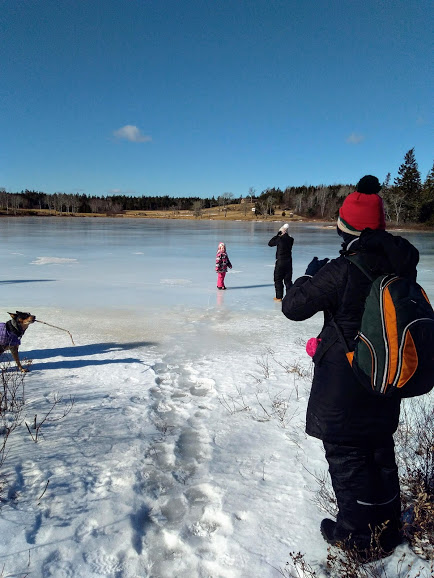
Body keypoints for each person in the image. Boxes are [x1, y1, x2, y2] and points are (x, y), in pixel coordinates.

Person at [281, 175, 420, 559]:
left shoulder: (342, 269)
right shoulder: (400, 265)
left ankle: (359, 541)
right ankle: (387, 528)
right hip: (386, 375)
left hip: (347, 382)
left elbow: (294, 307)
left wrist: (309, 274)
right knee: (378, 449)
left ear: (346, 227)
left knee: (347, 458)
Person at [268, 223, 294, 301]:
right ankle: (290, 296)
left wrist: (277, 235)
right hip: (289, 262)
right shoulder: (291, 240)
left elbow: (270, 243)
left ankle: (279, 297)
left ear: (282, 232)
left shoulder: (279, 239)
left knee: (278, 279)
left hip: (280, 262)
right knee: (288, 280)